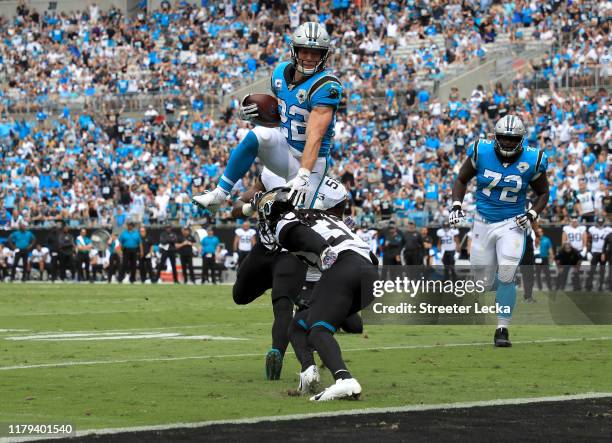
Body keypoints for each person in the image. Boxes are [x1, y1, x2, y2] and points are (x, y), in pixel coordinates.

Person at [193, 22, 342, 211]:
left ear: (324, 55)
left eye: (315, 53)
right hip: (285, 149)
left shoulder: (326, 85)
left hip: (311, 164)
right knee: (258, 134)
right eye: (304, 51)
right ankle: (219, 194)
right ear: (294, 51)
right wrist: (253, 114)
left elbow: (315, 135)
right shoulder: (280, 73)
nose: (310, 58)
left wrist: (303, 176)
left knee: (295, 219)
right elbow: (281, 113)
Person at [231, 168, 356, 381]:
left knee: (282, 304)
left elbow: (336, 221)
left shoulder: (326, 186)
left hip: (291, 252)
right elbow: (236, 207)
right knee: (239, 295)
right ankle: (291, 293)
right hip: (264, 248)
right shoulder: (270, 173)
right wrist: (250, 207)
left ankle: (276, 353)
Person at [255, 188, 377, 401]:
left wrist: (322, 250)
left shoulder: (286, 221)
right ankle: (308, 372)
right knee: (298, 324)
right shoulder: (323, 215)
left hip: (343, 267)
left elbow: (302, 235)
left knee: (318, 331)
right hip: (370, 273)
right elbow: (372, 257)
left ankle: (344, 380)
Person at [449, 114, 549, 347]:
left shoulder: (532, 159)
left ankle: (502, 329)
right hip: (483, 221)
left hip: (513, 223)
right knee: (483, 282)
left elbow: (543, 192)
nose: (506, 143)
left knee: (506, 274)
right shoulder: (480, 151)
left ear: (521, 140)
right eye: (503, 137)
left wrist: (532, 214)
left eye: (511, 139)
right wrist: (456, 204)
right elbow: (461, 179)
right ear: (495, 136)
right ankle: (502, 285)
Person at [586, 217, 610, 292]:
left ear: (604, 222)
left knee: (602, 270)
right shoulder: (592, 229)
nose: (600, 224)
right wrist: (588, 251)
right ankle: (589, 285)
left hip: (604, 253)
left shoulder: (608, 230)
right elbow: (588, 239)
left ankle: (600, 286)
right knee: (592, 269)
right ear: (596, 222)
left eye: (601, 222)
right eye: (599, 222)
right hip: (595, 252)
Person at [534, 227, 554, 292]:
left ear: (542, 232)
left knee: (547, 273)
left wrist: (551, 257)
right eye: (538, 232)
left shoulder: (547, 239)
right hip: (537, 258)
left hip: (545, 258)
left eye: (540, 232)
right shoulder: (534, 240)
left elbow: (550, 249)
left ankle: (550, 287)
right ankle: (540, 288)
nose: (539, 233)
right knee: (538, 273)